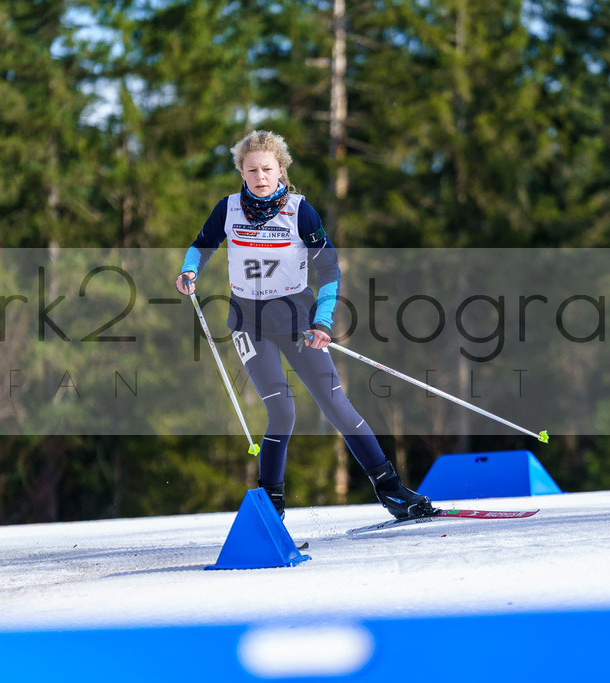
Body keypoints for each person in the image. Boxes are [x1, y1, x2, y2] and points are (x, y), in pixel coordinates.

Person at [175, 130, 433, 521]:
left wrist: (323, 320)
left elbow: (329, 268)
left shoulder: (300, 211)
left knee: (336, 404)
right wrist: (189, 270)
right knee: (282, 412)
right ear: (241, 173)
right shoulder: (227, 209)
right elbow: (202, 244)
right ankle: (271, 507)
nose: (260, 176)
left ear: (281, 170)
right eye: (251, 170)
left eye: (267, 168)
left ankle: (391, 489)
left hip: (297, 320)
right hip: (248, 322)